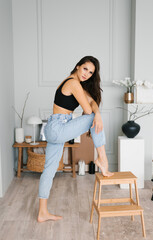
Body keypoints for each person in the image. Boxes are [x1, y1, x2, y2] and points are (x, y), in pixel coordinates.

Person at [37, 56, 113, 223]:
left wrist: (97, 112)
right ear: (78, 66)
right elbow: (88, 110)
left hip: (54, 127)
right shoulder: (73, 83)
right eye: (85, 69)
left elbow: (92, 101)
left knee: (49, 170)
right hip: (58, 128)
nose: (87, 74)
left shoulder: (74, 83)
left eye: (91, 72)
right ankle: (103, 159)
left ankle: (42, 212)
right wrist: (96, 115)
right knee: (93, 117)